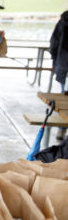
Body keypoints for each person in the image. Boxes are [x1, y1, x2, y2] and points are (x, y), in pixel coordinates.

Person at [50, 10, 68, 141]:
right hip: (64, 64)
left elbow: (53, 43)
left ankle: (61, 130)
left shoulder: (63, 21)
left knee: (65, 99)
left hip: (64, 64)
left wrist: (55, 61)